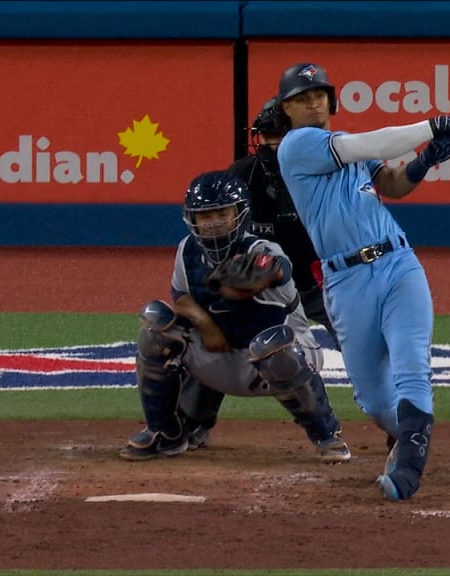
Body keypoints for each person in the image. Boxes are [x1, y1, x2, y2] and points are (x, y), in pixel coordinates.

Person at [272, 62, 450, 501]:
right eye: (301, 98)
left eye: (319, 95)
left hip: (398, 265)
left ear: (330, 100)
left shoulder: (351, 149)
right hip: (346, 284)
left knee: (411, 366)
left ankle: (407, 470)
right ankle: (404, 434)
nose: (313, 102)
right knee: (372, 398)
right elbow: (367, 143)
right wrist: (434, 125)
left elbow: (394, 183)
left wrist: (425, 161)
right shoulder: (296, 147)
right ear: (286, 110)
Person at [118, 169, 351, 464]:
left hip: (279, 360)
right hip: (222, 353)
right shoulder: (186, 250)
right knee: (155, 332)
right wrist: (205, 324)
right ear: (193, 219)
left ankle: (326, 434)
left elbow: (278, 268)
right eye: (205, 216)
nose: (214, 223)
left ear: (239, 214)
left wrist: (253, 277)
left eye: (222, 214)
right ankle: (166, 433)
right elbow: (181, 296)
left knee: (273, 348)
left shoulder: (262, 249)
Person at [228, 96, 338, 346]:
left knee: (362, 341)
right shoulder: (241, 175)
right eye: (268, 135)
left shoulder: (327, 173)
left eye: (283, 135)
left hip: (319, 287)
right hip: (261, 290)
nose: (273, 145)